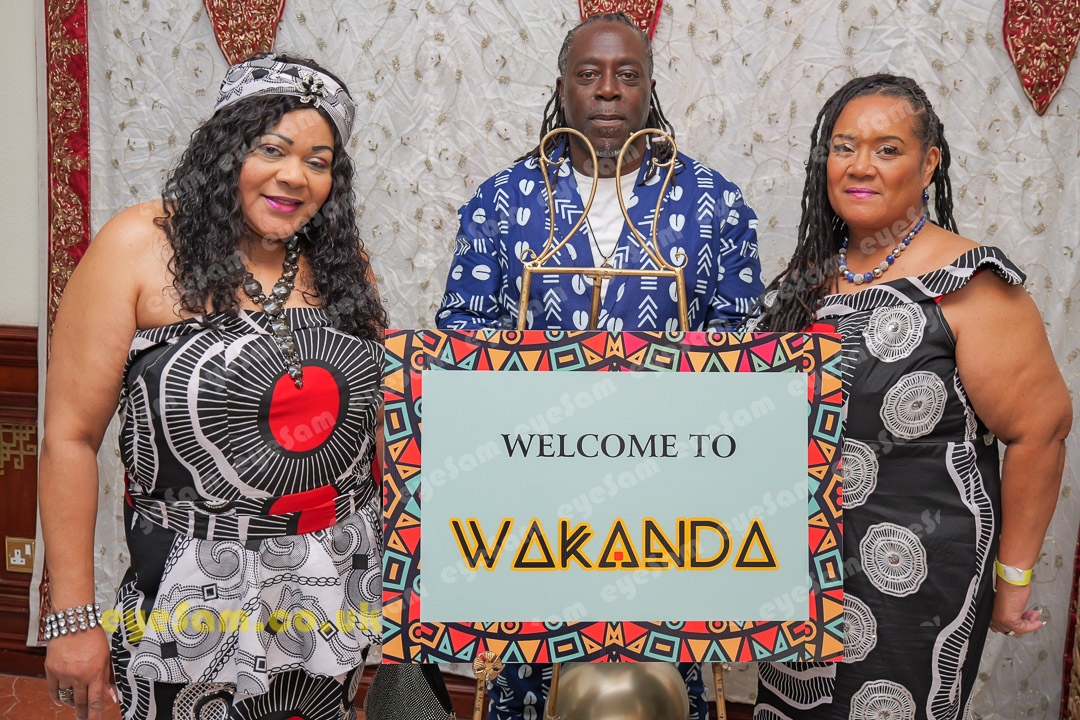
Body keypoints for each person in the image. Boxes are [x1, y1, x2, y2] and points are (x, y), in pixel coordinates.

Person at [39, 54, 388, 720]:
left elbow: (376, 426)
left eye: (318, 162)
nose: (294, 175)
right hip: (187, 591)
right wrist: (72, 618)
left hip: (330, 583)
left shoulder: (342, 262)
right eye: (272, 149)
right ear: (226, 150)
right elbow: (69, 439)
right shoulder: (139, 245)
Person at [435, 12, 763, 720]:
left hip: (669, 496)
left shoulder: (714, 202)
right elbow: (460, 339)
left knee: (662, 675)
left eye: (627, 75)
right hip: (534, 491)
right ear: (562, 88)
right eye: (589, 75)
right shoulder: (501, 201)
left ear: (650, 88)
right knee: (530, 671)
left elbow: (742, 348)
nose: (608, 90)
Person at [750, 74, 1071, 719]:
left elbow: (1040, 431)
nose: (860, 165)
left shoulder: (970, 284)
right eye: (844, 147)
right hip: (800, 572)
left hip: (917, 574)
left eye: (888, 149)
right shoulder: (809, 281)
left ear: (929, 165)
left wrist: (1012, 579)